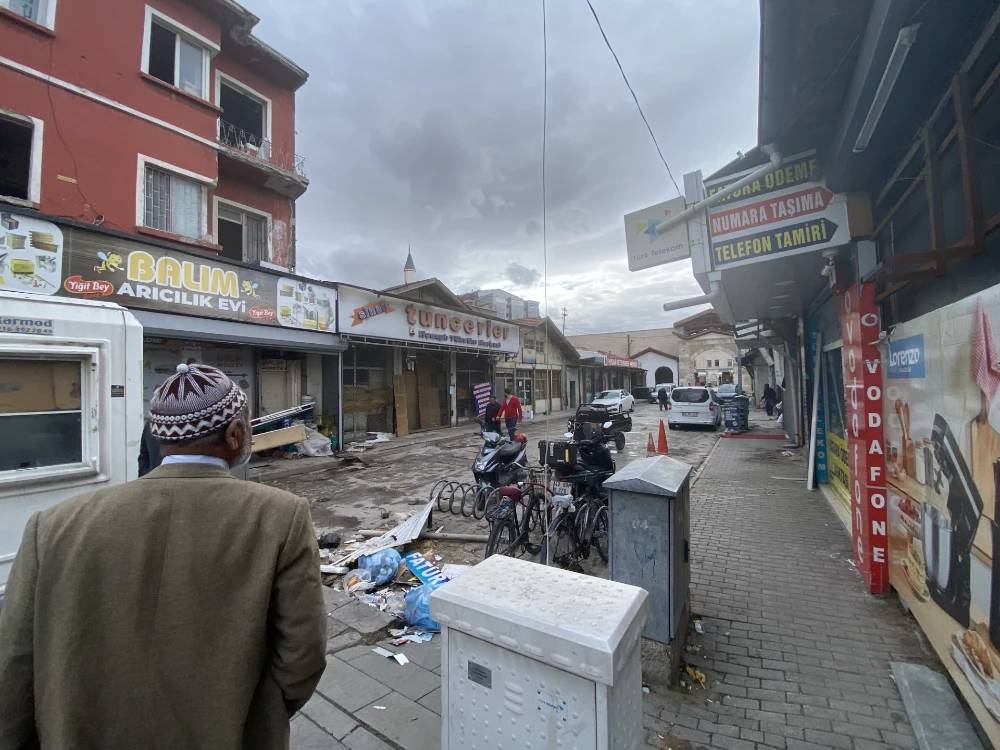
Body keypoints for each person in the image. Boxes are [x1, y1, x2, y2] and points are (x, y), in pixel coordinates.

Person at [0, 363, 327, 749]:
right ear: (236, 434)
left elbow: (15, 665)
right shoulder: (280, 516)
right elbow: (303, 653)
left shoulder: (52, 526)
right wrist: (260, 715)